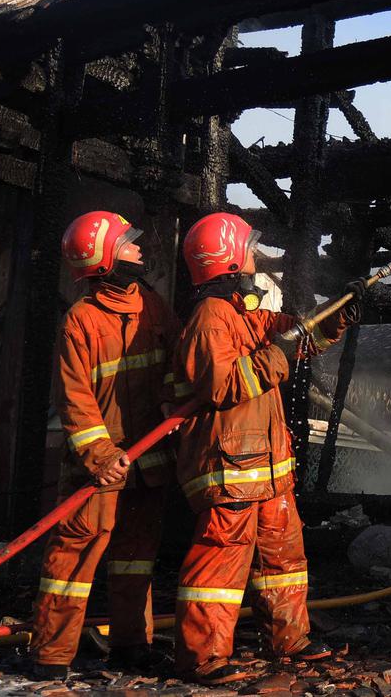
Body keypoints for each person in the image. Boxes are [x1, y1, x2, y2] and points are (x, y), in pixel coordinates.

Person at [170, 213, 361, 685]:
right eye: (249, 249)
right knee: (220, 562)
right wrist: (282, 354)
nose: (255, 256)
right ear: (228, 257)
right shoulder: (211, 319)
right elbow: (225, 385)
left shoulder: (239, 310)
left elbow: (293, 331)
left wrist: (335, 313)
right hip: (230, 466)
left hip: (267, 465)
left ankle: (289, 640)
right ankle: (204, 658)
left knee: (282, 557)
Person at [30, 211, 180, 680]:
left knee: (135, 561)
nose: (138, 248)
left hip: (148, 463)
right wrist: (100, 456)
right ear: (104, 259)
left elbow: (180, 363)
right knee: (72, 559)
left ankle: (132, 646)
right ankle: (51, 656)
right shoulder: (81, 320)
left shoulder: (154, 307)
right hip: (98, 468)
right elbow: (75, 400)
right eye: (127, 243)